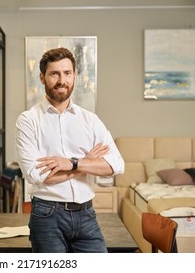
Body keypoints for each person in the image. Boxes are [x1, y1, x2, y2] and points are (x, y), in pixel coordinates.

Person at [15, 47, 124, 253]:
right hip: (47, 215)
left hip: (86, 213)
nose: (61, 80)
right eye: (54, 73)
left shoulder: (90, 120)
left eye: (67, 73)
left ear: (74, 76)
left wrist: (71, 163)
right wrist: (86, 164)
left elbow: (116, 164)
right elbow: (36, 175)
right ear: (42, 77)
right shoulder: (28, 120)